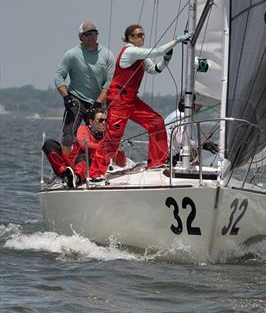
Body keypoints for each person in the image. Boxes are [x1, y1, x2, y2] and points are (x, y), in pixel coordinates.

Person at [89, 25, 192, 180]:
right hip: (119, 99)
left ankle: (157, 162)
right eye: (138, 35)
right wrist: (176, 41)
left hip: (131, 99)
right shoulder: (130, 51)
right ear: (130, 38)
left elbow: (155, 70)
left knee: (156, 122)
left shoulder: (140, 56)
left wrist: (167, 60)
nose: (142, 37)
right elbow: (156, 51)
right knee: (113, 138)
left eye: (143, 35)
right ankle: (95, 173)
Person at [54, 21, 116, 156]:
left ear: (97, 35)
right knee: (69, 136)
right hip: (76, 99)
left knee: (103, 135)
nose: (90, 36)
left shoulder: (107, 55)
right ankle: (66, 167)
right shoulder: (72, 54)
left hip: (98, 101)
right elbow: (59, 77)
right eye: (86, 34)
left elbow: (110, 82)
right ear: (80, 37)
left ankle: (103, 164)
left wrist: (99, 102)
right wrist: (66, 97)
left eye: (93, 33)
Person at [42, 108, 126, 188]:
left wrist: (120, 151)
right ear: (91, 121)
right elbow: (83, 144)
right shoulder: (83, 129)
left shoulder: (109, 139)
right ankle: (65, 174)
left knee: (83, 158)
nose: (103, 123)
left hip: (90, 169)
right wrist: (105, 146)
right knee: (49, 144)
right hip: (71, 165)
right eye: (100, 120)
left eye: (105, 120)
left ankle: (75, 178)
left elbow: (121, 163)